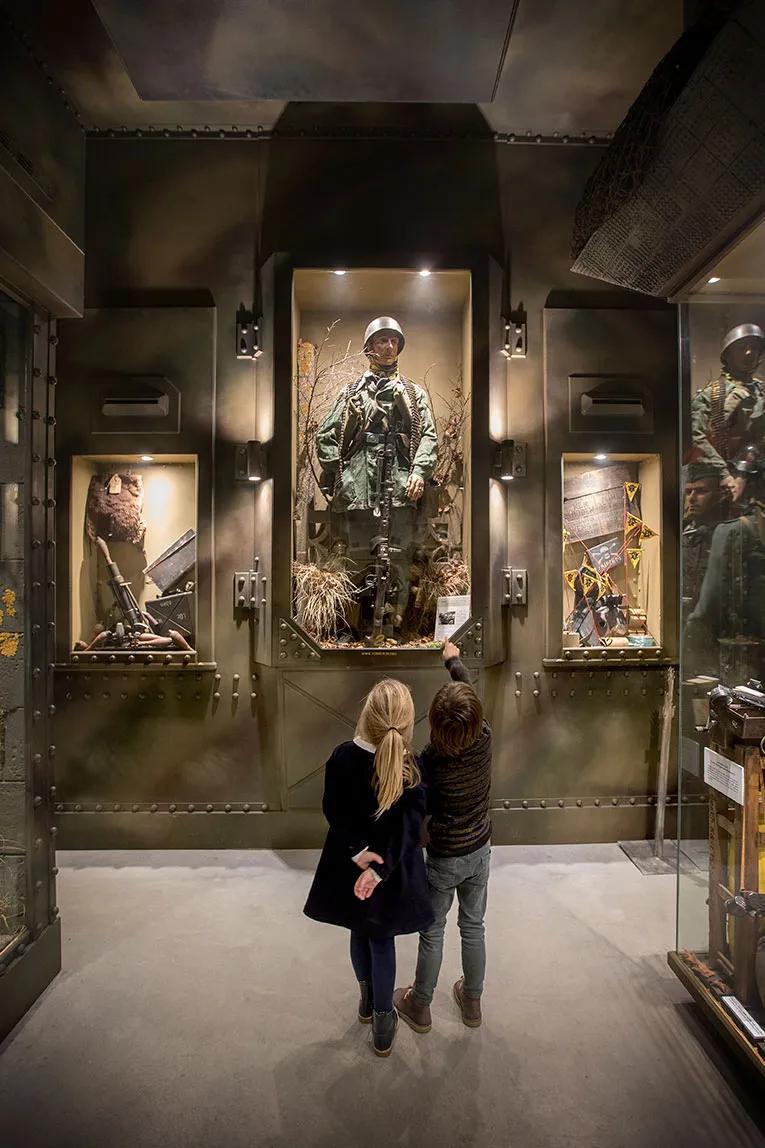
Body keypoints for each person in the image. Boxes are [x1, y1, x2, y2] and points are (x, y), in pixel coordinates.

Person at [303, 678, 434, 1057]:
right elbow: (412, 829)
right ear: (407, 723)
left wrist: (358, 853)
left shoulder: (342, 756)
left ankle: (366, 1000)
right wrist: (379, 869)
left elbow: (333, 810)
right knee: (381, 939)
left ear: (367, 715)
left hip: (349, 866)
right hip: (389, 877)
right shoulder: (412, 766)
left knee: (358, 931)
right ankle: (382, 1020)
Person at [393, 640, 492, 1032]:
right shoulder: (485, 737)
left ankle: (420, 1003)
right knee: (474, 926)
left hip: (444, 858)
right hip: (480, 849)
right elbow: (471, 700)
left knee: (432, 930)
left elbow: (416, 805)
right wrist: (454, 661)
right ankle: (472, 1001)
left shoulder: (429, 761)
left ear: (433, 723)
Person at [690, 323, 765, 498]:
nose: (749, 353)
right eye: (742, 348)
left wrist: (746, 466)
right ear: (728, 355)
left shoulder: (762, 392)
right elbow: (697, 438)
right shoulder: (711, 396)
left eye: (754, 348)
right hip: (720, 486)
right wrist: (724, 475)